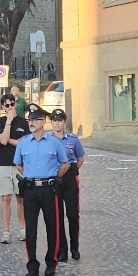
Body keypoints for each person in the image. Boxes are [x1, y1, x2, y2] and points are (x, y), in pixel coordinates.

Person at [13, 104, 69, 276]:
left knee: (53, 227)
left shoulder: (54, 142)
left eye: (35, 119)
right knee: (30, 230)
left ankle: (51, 262)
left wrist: (52, 177)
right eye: (30, 119)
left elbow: (65, 164)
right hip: (30, 190)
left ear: (43, 121)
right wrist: (32, 177)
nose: (31, 122)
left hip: (49, 189)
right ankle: (32, 267)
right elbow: (18, 165)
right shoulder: (23, 143)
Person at [50, 109, 85, 262]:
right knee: (57, 216)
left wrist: (74, 170)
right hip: (55, 178)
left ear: (64, 122)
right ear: (51, 122)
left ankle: (74, 247)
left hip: (70, 179)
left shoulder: (73, 139)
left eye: (60, 120)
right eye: (54, 120)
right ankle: (62, 250)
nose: (57, 123)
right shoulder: (48, 139)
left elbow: (80, 158)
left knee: (72, 215)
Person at [0, 94, 29, 244]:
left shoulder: (23, 122)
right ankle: (6, 231)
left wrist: (9, 140)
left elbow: (25, 143)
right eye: (6, 105)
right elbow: (1, 140)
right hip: (3, 163)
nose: (10, 107)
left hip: (19, 165)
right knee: (5, 198)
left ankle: (22, 229)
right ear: (2, 107)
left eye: (12, 104)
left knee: (20, 198)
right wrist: (8, 122)